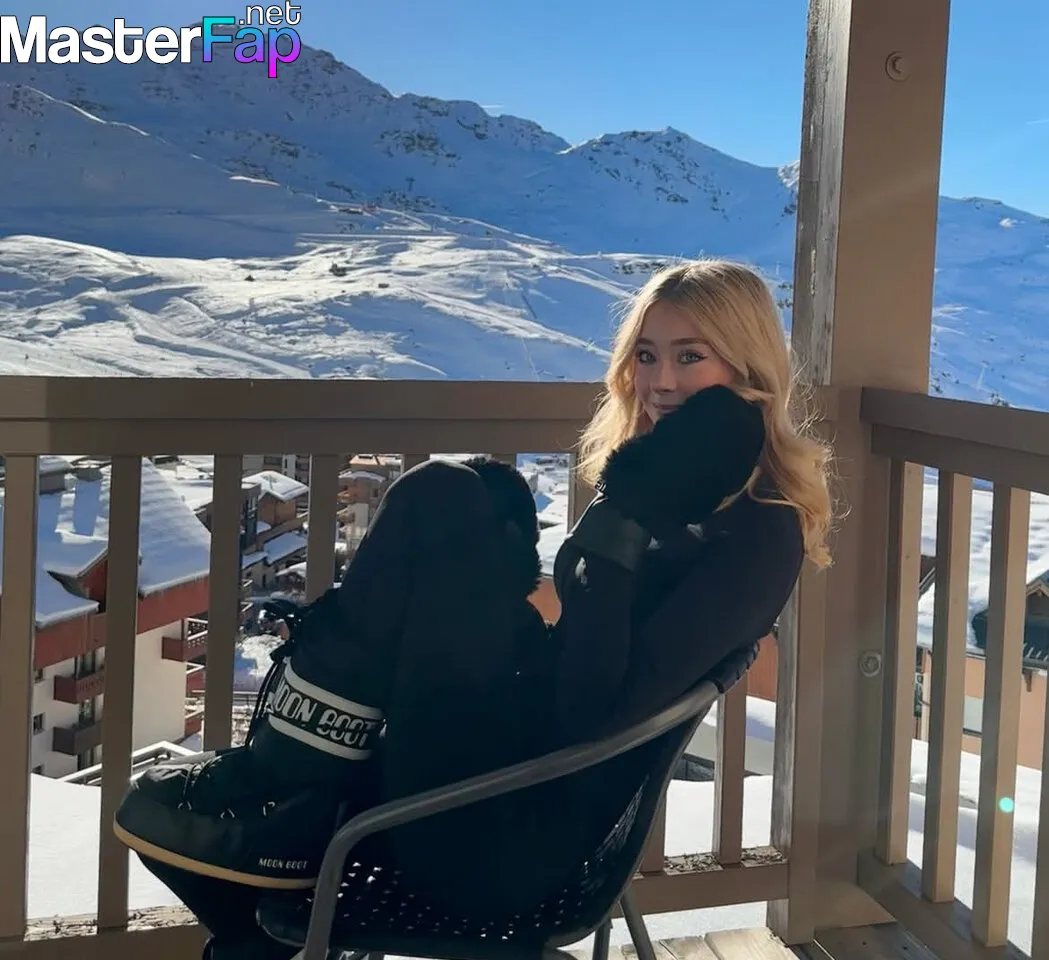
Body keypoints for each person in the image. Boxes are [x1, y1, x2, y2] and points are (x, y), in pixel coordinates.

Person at [114, 257, 833, 959]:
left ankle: (287, 789)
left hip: (506, 833)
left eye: (690, 357)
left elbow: (593, 710)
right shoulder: (683, 490)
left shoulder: (758, 532)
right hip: (507, 753)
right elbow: (574, 650)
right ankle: (288, 794)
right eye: (646, 355)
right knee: (467, 495)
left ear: (746, 369)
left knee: (441, 500)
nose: (660, 381)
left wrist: (625, 518)